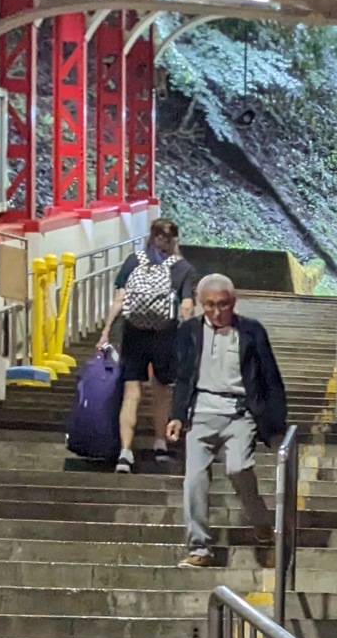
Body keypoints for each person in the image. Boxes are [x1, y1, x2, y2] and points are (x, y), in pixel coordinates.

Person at [166, 274, 285, 569]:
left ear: (233, 302)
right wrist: (177, 416)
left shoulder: (251, 331)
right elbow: (183, 376)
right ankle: (199, 547)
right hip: (202, 411)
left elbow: (271, 379)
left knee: (239, 468)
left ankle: (261, 524)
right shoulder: (190, 331)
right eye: (209, 305)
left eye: (223, 305)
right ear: (200, 304)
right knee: (194, 478)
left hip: (240, 412)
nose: (217, 312)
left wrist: (275, 427)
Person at [103, 217, 196, 473]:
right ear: (175, 239)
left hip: (134, 333)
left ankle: (125, 452)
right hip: (166, 335)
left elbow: (119, 299)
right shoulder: (183, 268)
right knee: (162, 391)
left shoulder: (134, 261)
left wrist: (106, 330)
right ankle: (160, 443)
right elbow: (187, 306)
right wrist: (192, 338)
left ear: (152, 237)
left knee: (132, 392)